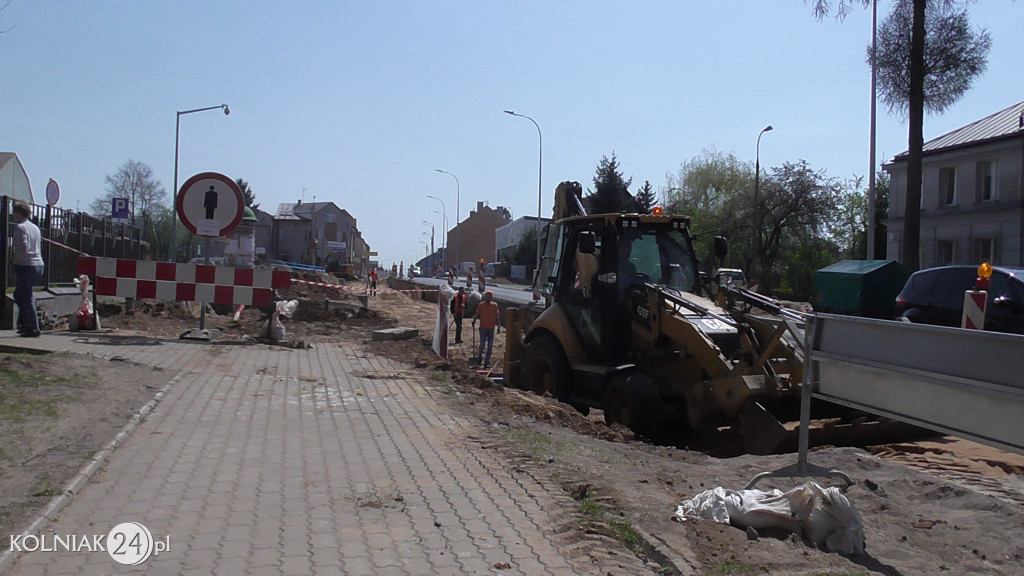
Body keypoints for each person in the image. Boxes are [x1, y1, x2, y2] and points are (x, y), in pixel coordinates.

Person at [12, 201, 44, 337]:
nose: (13, 214)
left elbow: (24, 248)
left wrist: (15, 260)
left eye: (14, 212)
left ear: (18, 213)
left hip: (26, 265)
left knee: (26, 297)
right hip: (39, 264)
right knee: (18, 295)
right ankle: (25, 324)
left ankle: (33, 328)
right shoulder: (35, 228)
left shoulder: (20, 228)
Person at [475, 290, 500, 368]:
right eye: (487, 296)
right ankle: (479, 357)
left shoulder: (495, 305)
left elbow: (497, 316)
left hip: (491, 329)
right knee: (482, 345)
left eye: (489, 296)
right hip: (483, 328)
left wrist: (499, 326)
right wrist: (474, 320)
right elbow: (477, 314)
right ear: (485, 297)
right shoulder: (481, 305)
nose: (488, 298)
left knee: (490, 346)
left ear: (491, 297)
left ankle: (486, 362)